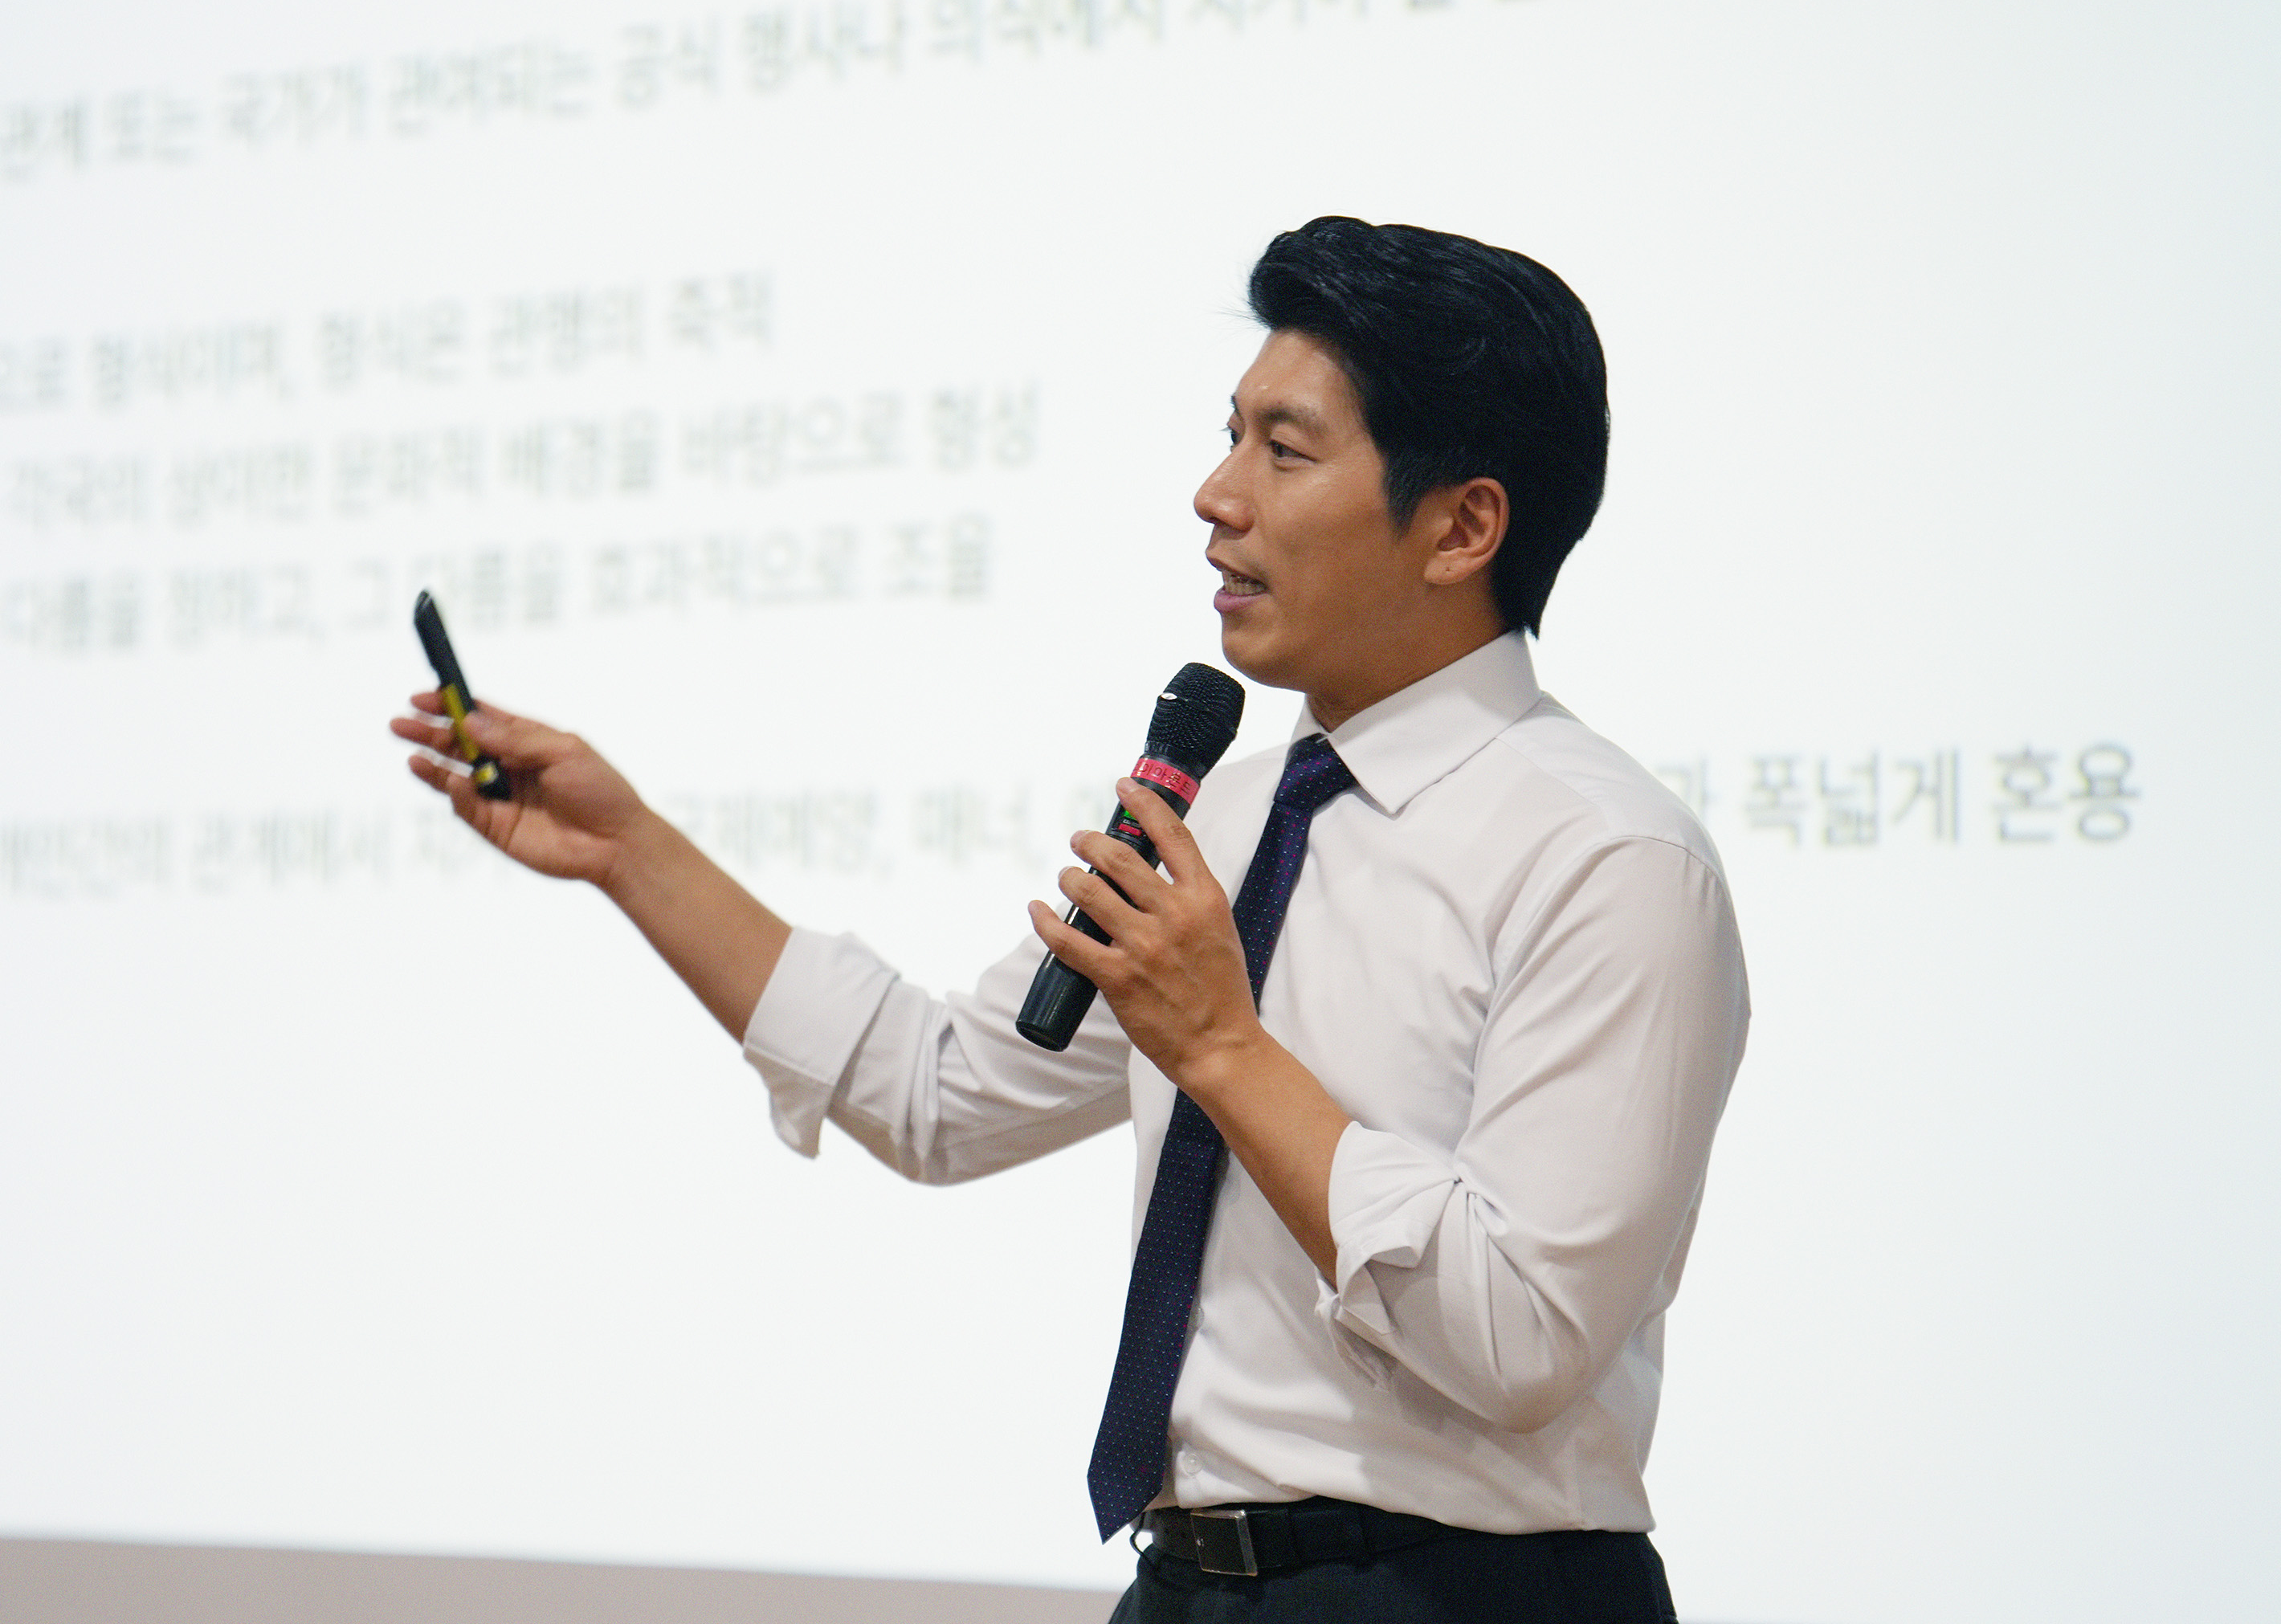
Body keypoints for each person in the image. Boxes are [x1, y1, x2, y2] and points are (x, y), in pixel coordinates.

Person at [392, 217, 1747, 1623]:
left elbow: (1522, 1336)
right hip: (1186, 1589)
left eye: (1285, 452)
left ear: (1462, 527)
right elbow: (936, 1093)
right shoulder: (1232, 818)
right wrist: (628, 850)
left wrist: (1223, 1049)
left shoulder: (1610, 858)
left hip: (1465, 1597)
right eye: (1230, 436)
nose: (1216, 495)